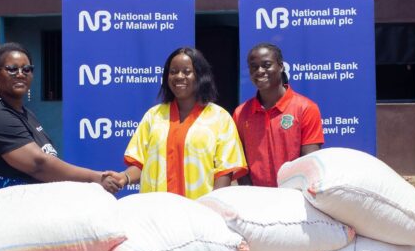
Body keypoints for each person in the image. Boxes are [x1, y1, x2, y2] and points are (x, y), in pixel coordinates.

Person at [0, 42, 121, 206]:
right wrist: (95, 178)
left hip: (19, 202)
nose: (21, 74)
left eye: (27, 69)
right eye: (12, 69)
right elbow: (38, 164)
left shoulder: (27, 114)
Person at [114, 47, 247, 199]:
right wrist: (124, 178)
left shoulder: (220, 118)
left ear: (200, 75)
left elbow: (225, 172)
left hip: (199, 213)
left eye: (186, 71)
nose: (179, 76)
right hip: (157, 213)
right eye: (173, 71)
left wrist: (213, 207)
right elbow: (140, 164)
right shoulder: (153, 116)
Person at [233, 43, 325, 187]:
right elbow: (241, 165)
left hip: (295, 197)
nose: (260, 71)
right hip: (256, 200)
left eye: (266, 65)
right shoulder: (241, 113)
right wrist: (252, 196)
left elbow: (310, 161)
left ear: (281, 66)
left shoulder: (306, 108)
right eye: (254, 67)